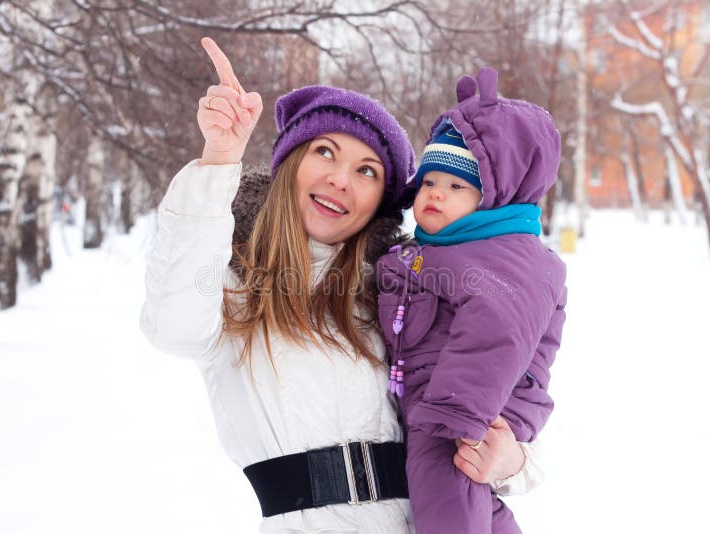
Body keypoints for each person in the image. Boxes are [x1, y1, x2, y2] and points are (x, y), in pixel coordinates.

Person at [140, 37, 544, 533]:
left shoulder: (404, 297)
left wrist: (515, 464)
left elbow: (490, 398)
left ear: (382, 200)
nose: (339, 179)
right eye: (324, 152)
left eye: (366, 170)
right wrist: (219, 159)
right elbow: (172, 327)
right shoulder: (236, 285)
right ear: (290, 164)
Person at [375, 67, 568, 534]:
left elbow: (498, 326)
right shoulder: (440, 250)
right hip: (447, 402)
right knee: (461, 498)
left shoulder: (507, 256)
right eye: (429, 182)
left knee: (445, 492)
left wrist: (456, 409)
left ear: (495, 198)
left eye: (457, 187)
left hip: (471, 407)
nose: (436, 194)